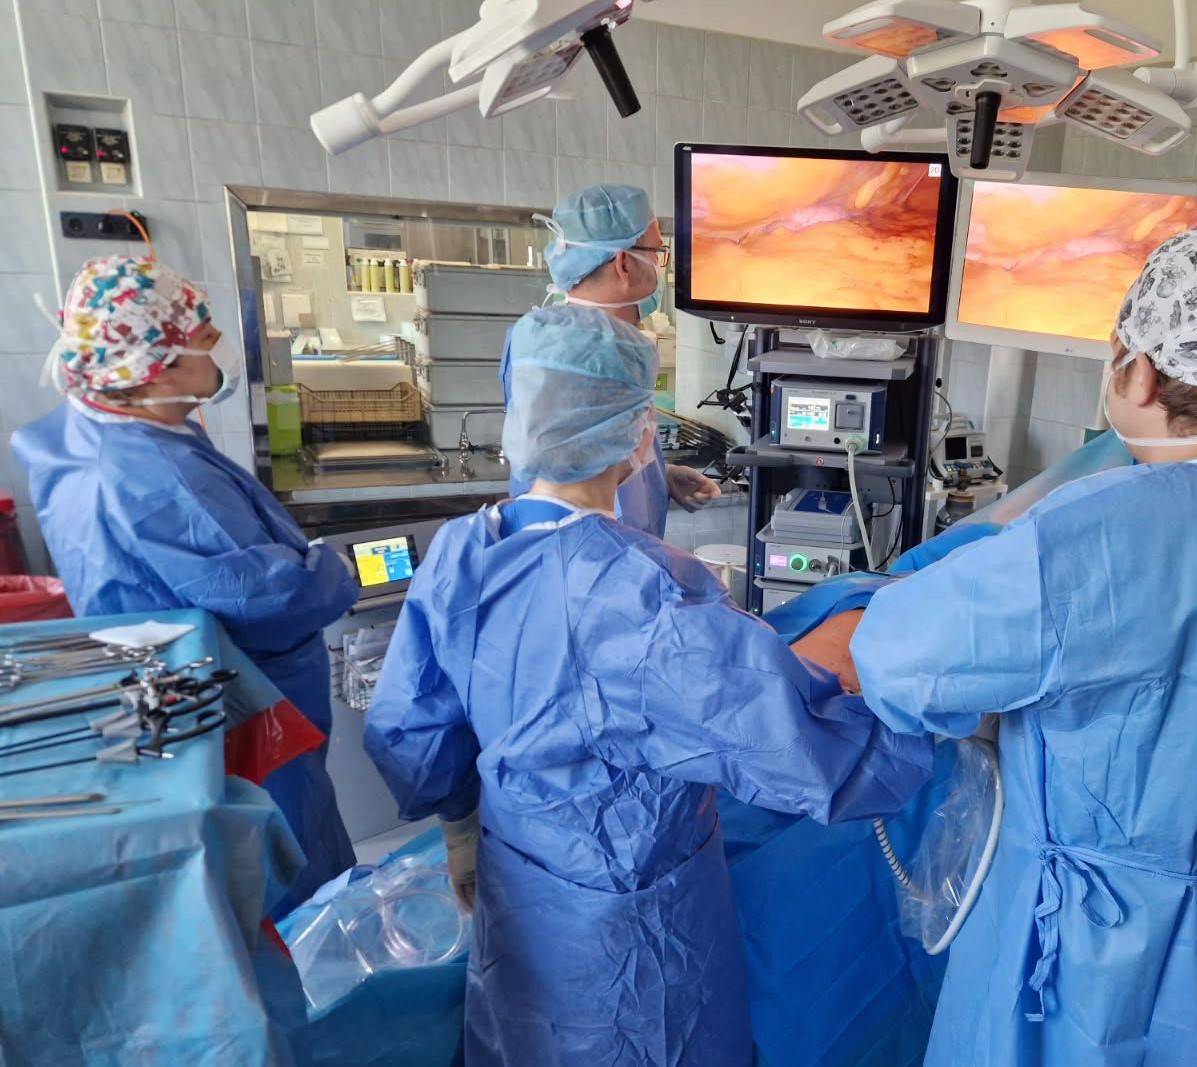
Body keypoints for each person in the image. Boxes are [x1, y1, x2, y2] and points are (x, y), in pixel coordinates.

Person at [837, 229, 1197, 1066]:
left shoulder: (1100, 532)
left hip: (1081, 949)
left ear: (1138, 370)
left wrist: (1006, 553)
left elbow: (898, 657)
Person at [363, 305, 932, 1067]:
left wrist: (460, 831)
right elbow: (802, 751)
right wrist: (919, 701)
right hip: (627, 929)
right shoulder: (644, 596)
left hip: (515, 884)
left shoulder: (465, 547)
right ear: (638, 432)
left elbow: (409, 726)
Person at [12, 255, 360, 913]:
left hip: (155, 696)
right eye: (204, 339)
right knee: (285, 873)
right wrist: (330, 569)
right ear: (155, 366)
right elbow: (272, 598)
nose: (218, 348)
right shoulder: (156, 478)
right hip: (231, 712)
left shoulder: (85, 430)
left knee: (217, 870)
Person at [499, 182, 720, 535]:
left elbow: (600, 457)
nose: (659, 264)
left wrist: (658, 477)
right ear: (624, 263)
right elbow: (570, 484)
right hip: (589, 551)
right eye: (656, 252)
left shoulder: (611, 349)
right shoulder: (569, 357)